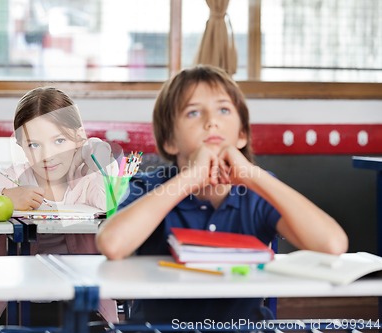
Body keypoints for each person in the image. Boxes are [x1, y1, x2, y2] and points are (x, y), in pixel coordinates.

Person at [96, 65, 348, 324]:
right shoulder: (150, 187)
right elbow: (112, 244)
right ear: (170, 140)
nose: (211, 121)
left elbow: (331, 245)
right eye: (193, 112)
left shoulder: (257, 190)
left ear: (242, 135)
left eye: (224, 110)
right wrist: (190, 178)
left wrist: (251, 174)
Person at [0, 86, 119, 327]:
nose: (47, 155)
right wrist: (3, 195)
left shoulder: (88, 178)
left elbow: (110, 204)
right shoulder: (13, 179)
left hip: (83, 304)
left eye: (59, 141)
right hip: (16, 303)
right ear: (20, 145)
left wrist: (98, 159)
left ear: (78, 137)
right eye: (34, 145)